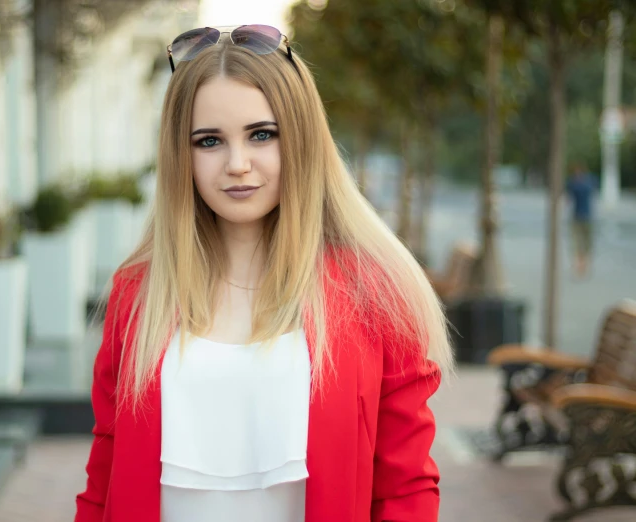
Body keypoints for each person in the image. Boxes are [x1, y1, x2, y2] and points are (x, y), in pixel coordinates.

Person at [75, 24, 453, 522]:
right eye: (209, 141)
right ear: (179, 155)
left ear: (299, 138)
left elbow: (405, 490)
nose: (237, 164)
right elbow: (104, 477)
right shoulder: (137, 294)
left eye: (261, 134)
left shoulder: (375, 292)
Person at [566, 164, 596, 278]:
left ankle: (583, 265)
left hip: (584, 216)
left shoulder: (577, 184)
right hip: (580, 216)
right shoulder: (587, 183)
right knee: (579, 242)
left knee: (584, 242)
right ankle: (580, 265)